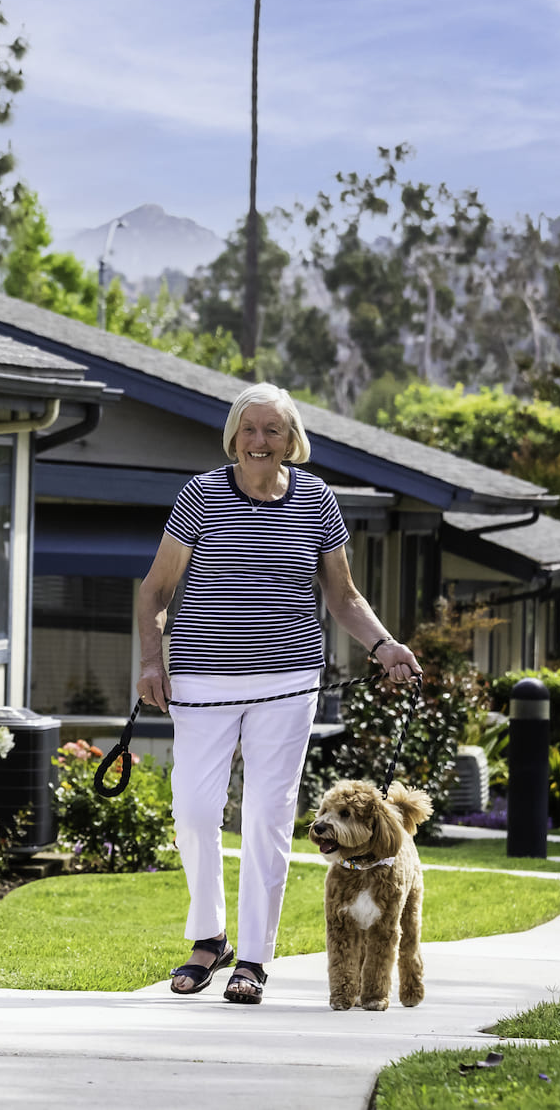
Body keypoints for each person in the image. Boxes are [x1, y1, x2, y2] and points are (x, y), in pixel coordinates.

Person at [136, 382, 418, 1004]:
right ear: (233, 437)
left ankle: (254, 960)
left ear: (293, 441)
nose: (259, 442)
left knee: (267, 817)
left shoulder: (318, 500)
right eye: (249, 430)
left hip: (288, 684)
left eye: (273, 431)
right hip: (201, 681)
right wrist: (151, 662)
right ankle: (210, 939)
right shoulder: (202, 495)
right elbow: (154, 591)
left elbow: (342, 596)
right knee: (196, 810)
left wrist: (385, 646)